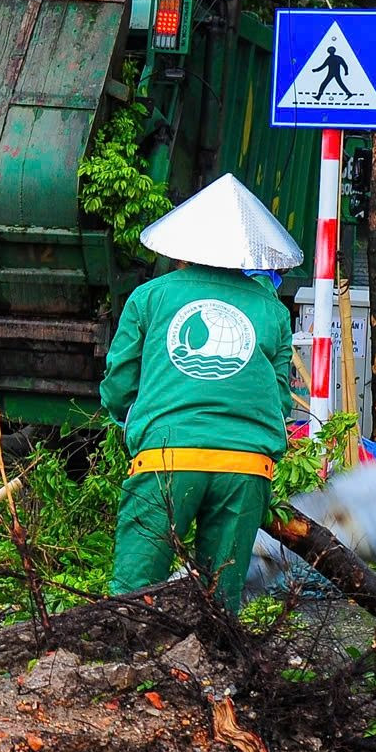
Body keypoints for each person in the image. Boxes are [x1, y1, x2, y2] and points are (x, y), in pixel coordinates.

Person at [100, 172, 302, 608]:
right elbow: (282, 397)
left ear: (181, 247)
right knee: (221, 599)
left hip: (165, 459)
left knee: (133, 592)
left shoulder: (148, 298)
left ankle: (122, 663)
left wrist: (130, 421)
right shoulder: (272, 310)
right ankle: (217, 669)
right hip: (246, 468)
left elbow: (119, 383)